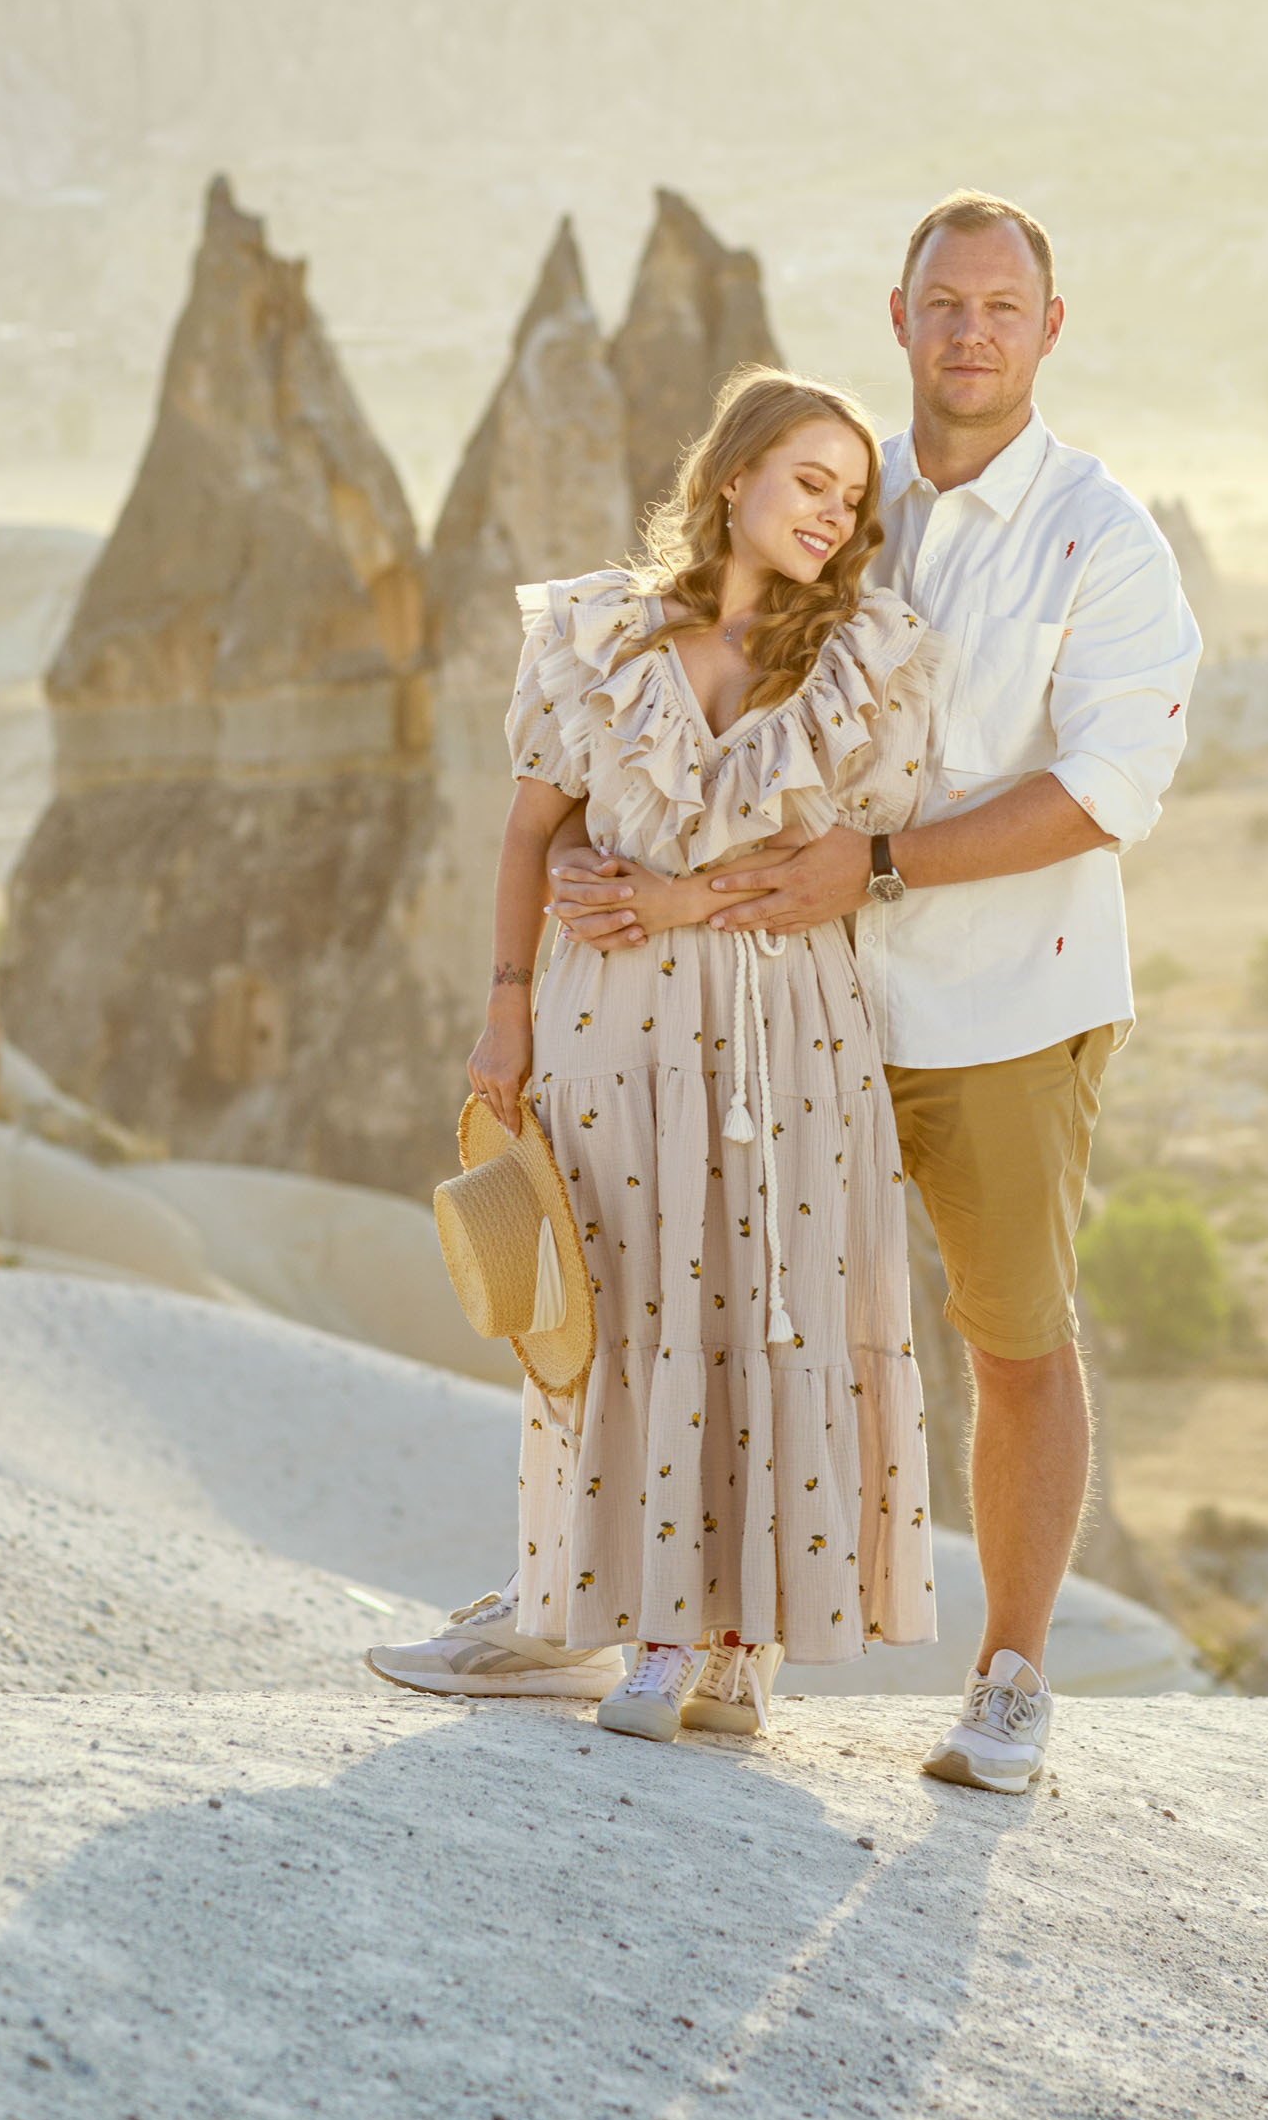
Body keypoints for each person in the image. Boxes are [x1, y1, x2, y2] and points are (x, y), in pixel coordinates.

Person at [551, 189, 1199, 1792]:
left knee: (1012, 1341)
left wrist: (889, 863)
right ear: (899, 318)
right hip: (794, 994)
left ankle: (1009, 1680)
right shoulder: (845, 494)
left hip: (1006, 1007)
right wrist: (590, 845)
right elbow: (693, 674)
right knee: (766, 1318)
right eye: (943, 303)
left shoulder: (1099, 536)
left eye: (1002, 306)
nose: (971, 331)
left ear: (1051, 330)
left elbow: (1114, 786)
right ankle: (729, 1638)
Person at [365, 368, 937, 1741]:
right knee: (615, 1303)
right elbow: (526, 835)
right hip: (605, 1030)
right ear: (733, 476)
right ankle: (630, 1617)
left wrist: (684, 898)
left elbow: (832, 863)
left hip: (787, 1031)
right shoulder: (595, 638)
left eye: (852, 498)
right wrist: (503, 1013)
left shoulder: (868, 656)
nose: (832, 515)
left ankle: (738, 1642)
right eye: (810, 481)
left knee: (770, 1297)